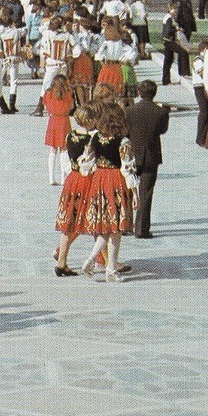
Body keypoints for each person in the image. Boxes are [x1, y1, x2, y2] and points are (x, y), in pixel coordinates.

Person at [79, 102, 137, 282]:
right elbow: (128, 168)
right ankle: (109, 267)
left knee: (105, 225)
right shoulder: (123, 141)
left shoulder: (95, 137)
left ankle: (99, 261)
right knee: (116, 227)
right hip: (116, 181)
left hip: (99, 181)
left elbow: (86, 161)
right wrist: (135, 193)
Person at [55, 106, 98, 276]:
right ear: (88, 121)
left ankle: (61, 261)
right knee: (96, 219)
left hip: (72, 179)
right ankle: (107, 260)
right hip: (88, 179)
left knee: (69, 221)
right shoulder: (92, 138)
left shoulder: (70, 135)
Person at [127, 81, 170, 239]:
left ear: (139, 92)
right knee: (146, 192)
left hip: (132, 154)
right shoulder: (160, 112)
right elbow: (162, 130)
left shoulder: (129, 111)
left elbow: (125, 131)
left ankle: (125, 224)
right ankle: (141, 228)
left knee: (128, 190)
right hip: (151, 155)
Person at [43, 75, 74, 187]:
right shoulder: (67, 93)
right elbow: (71, 107)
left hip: (53, 121)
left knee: (52, 150)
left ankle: (51, 177)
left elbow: (46, 106)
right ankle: (63, 177)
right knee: (64, 150)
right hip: (64, 121)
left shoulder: (49, 93)